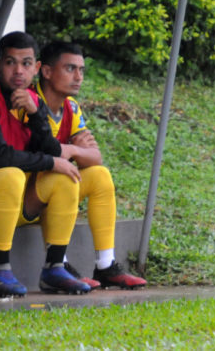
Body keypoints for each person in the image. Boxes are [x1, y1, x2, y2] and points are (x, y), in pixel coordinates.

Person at [0, 31, 91, 297]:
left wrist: (37, 115)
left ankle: (54, 268)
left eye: (26, 64)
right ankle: (0, 270)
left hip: (11, 200)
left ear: (36, 68)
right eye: (10, 62)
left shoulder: (33, 101)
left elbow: (51, 149)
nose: (18, 71)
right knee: (12, 174)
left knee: (64, 176)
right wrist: (50, 162)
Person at [36, 41, 147, 289]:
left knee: (99, 176)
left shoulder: (71, 107)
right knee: (61, 178)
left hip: (49, 185)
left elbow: (94, 157)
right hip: (26, 189)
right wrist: (73, 151)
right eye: (70, 69)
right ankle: (59, 265)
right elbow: (41, 155)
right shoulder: (31, 103)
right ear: (46, 71)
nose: (78, 77)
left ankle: (105, 266)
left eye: (82, 70)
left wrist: (72, 150)